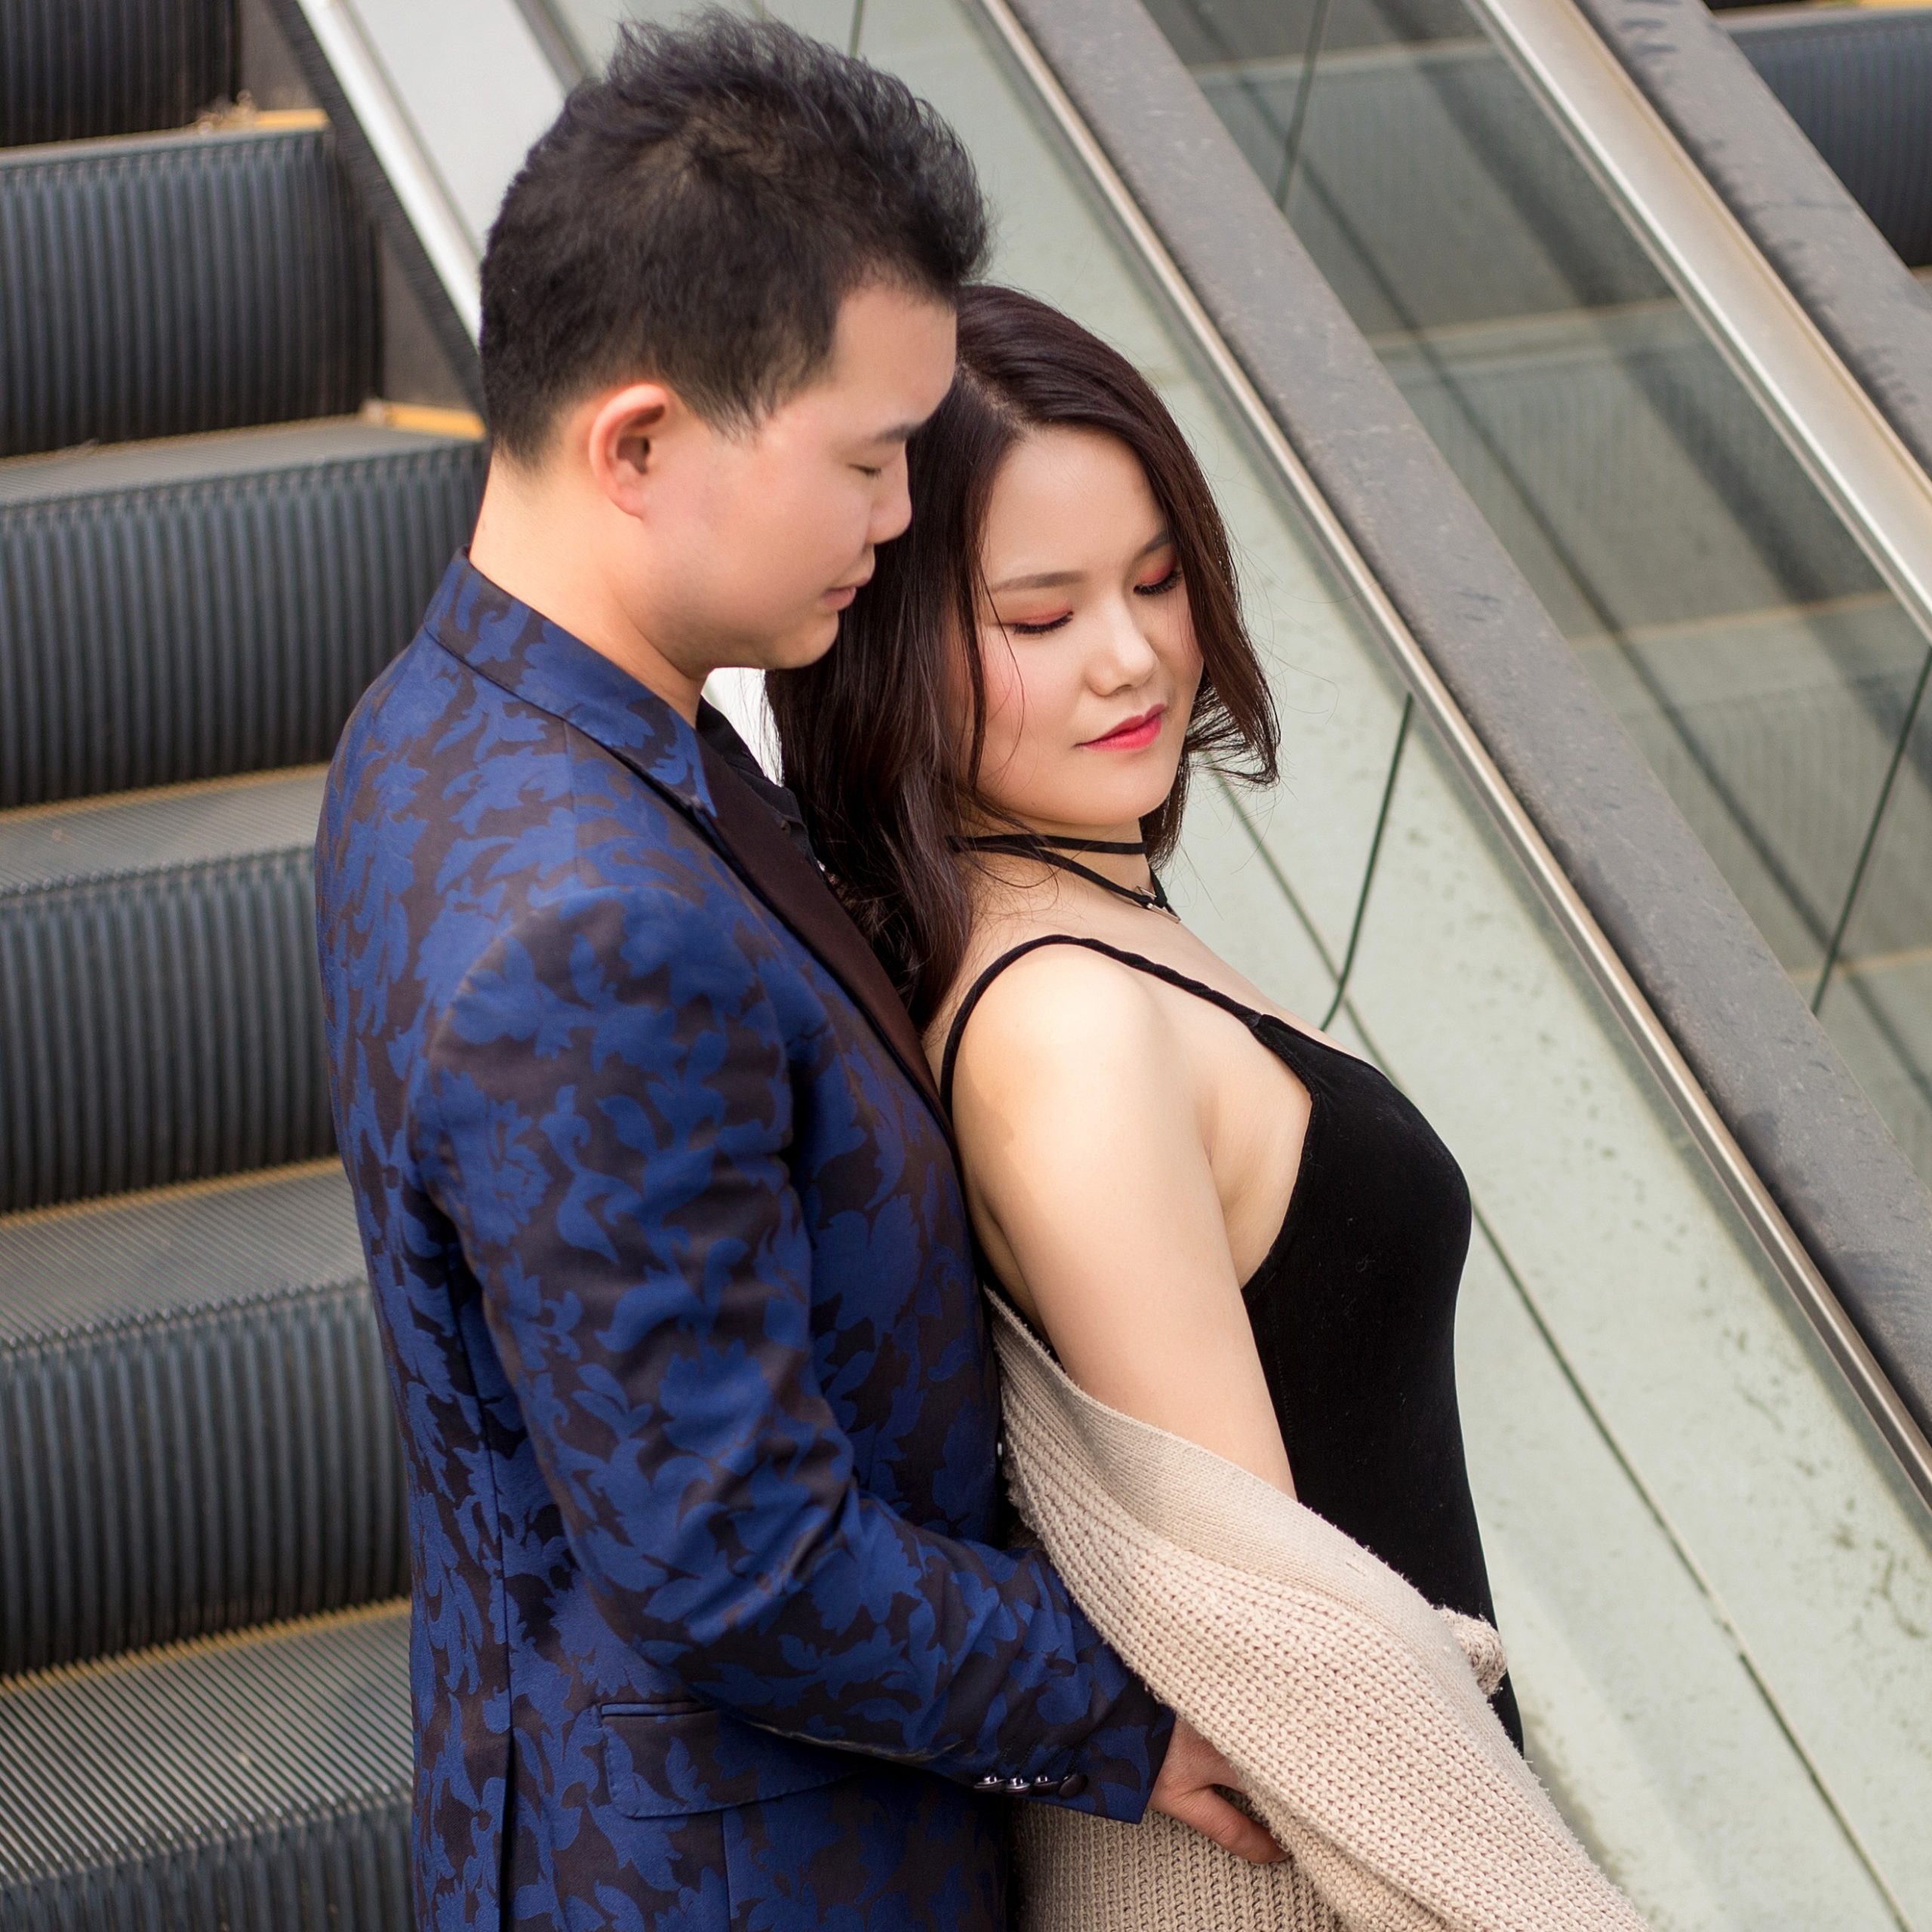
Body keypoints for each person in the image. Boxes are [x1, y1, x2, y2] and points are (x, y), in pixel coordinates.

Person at [313, 20, 1272, 1932]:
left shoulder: (441, 723)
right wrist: (1129, 1715)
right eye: (868, 458)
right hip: (749, 1875)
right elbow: (741, 1556)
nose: (902, 517)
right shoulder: (590, 930)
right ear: (639, 443)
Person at [768, 284, 1551, 1921]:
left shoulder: (1070, 916)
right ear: (890, 648)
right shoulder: (1063, 1024)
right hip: (1316, 1871)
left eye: (1154, 577)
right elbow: (1275, 1638)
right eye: (1038, 616)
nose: (1131, 656)